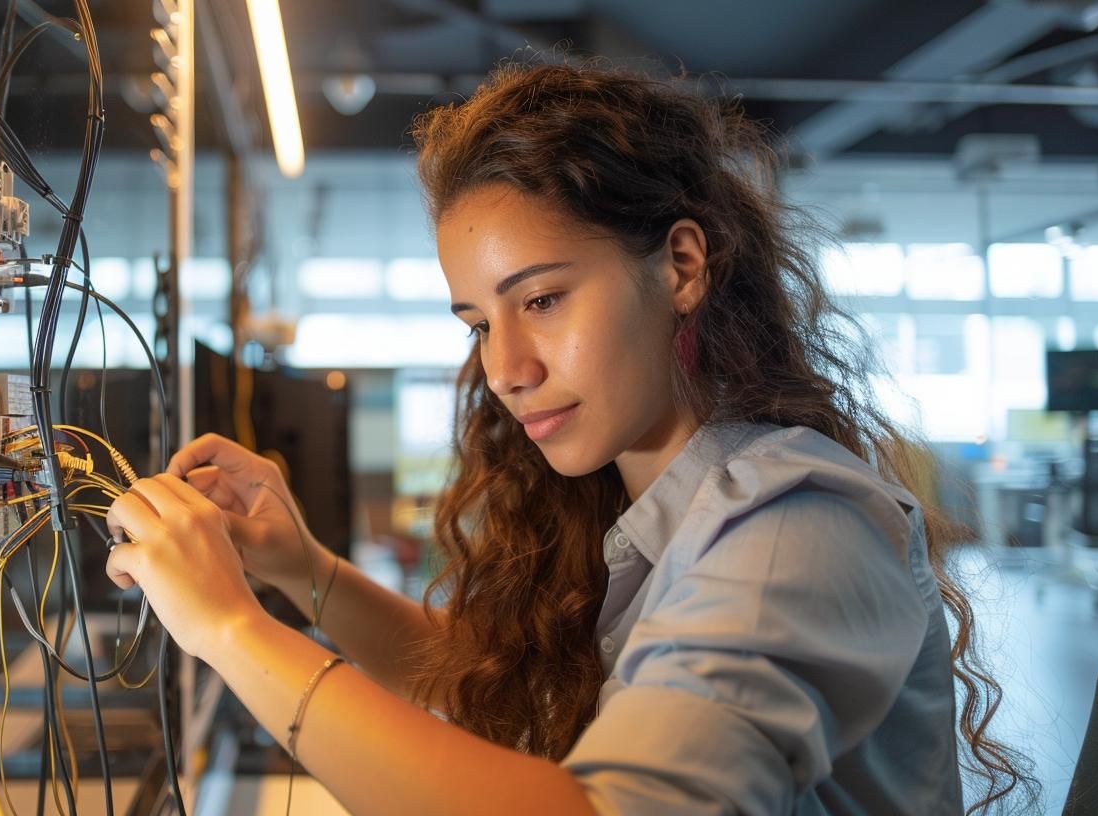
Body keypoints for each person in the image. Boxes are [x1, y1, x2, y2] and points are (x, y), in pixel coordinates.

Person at [104, 60, 1032, 815]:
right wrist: (299, 569)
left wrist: (230, 627)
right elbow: (490, 675)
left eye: (542, 300)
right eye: (478, 323)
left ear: (680, 266)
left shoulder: (793, 527)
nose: (506, 366)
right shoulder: (658, 507)